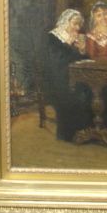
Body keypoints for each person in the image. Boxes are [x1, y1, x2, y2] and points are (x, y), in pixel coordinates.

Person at [43, 9, 93, 141]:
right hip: (56, 78)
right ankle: (68, 134)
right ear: (66, 22)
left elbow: (82, 59)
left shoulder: (75, 37)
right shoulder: (53, 37)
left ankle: (86, 130)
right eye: (74, 24)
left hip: (72, 75)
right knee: (75, 93)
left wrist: (82, 50)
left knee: (90, 90)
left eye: (79, 25)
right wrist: (69, 44)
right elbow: (58, 62)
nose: (77, 28)